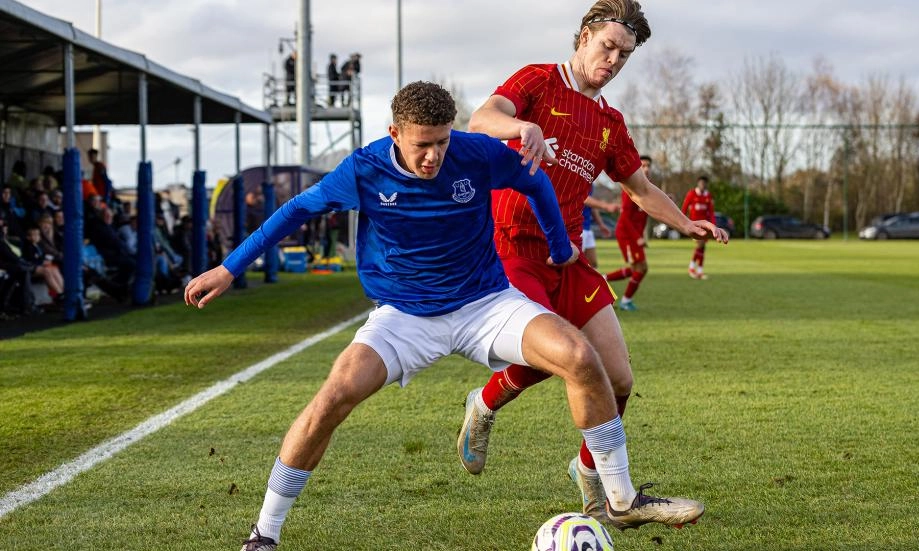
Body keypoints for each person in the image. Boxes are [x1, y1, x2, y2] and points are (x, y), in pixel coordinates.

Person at [184, 82, 695, 550]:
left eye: (441, 143)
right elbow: (295, 210)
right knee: (333, 396)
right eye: (421, 144)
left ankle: (622, 500)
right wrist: (230, 269)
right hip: (404, 315)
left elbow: (534, 182)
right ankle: (264, 534)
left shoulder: (475, 152)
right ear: (394, 134)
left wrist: (560, 246)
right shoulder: (363, 170)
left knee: (581, 358)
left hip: (485, 303)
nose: (433, 156)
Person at [457, 0, 727, 529]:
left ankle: (589, 471)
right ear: (583, 37)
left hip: (568, 258)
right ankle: (483, 407)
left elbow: (641, 188)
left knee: (619, 377)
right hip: (512, 248)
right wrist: (519, 130)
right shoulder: (538, 80)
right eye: (607, 46)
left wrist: (684, 222)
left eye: (624, 55)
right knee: (559, 355)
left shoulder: (609, 122)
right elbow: (482, 119)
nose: (614, 60)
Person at [604, 155, 654, 310]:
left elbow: (644, 216)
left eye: (648, 166)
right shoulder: (630, 189)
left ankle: (603, 279)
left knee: (637, 268)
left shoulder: (647, 189)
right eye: (643, 165)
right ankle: (625, 301)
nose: (646, 169)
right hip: (626, 233)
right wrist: (637, 237)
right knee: (641, 268)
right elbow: (625, 218)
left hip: (634, 235)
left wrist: (642, 236)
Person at [681, 175, 716, 280]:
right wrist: (681, 221)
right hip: (694, 225)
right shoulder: (692, 194)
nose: (702, 185)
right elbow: (684, 207)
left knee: (703, 248)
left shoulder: (708, 196)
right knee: (700, 245)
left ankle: (699, 271)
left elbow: (711, 212)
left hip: (705, 226)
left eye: (704, 183)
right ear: (698, 183)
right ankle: (691, 268)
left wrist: (713, 225)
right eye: (701, 183)